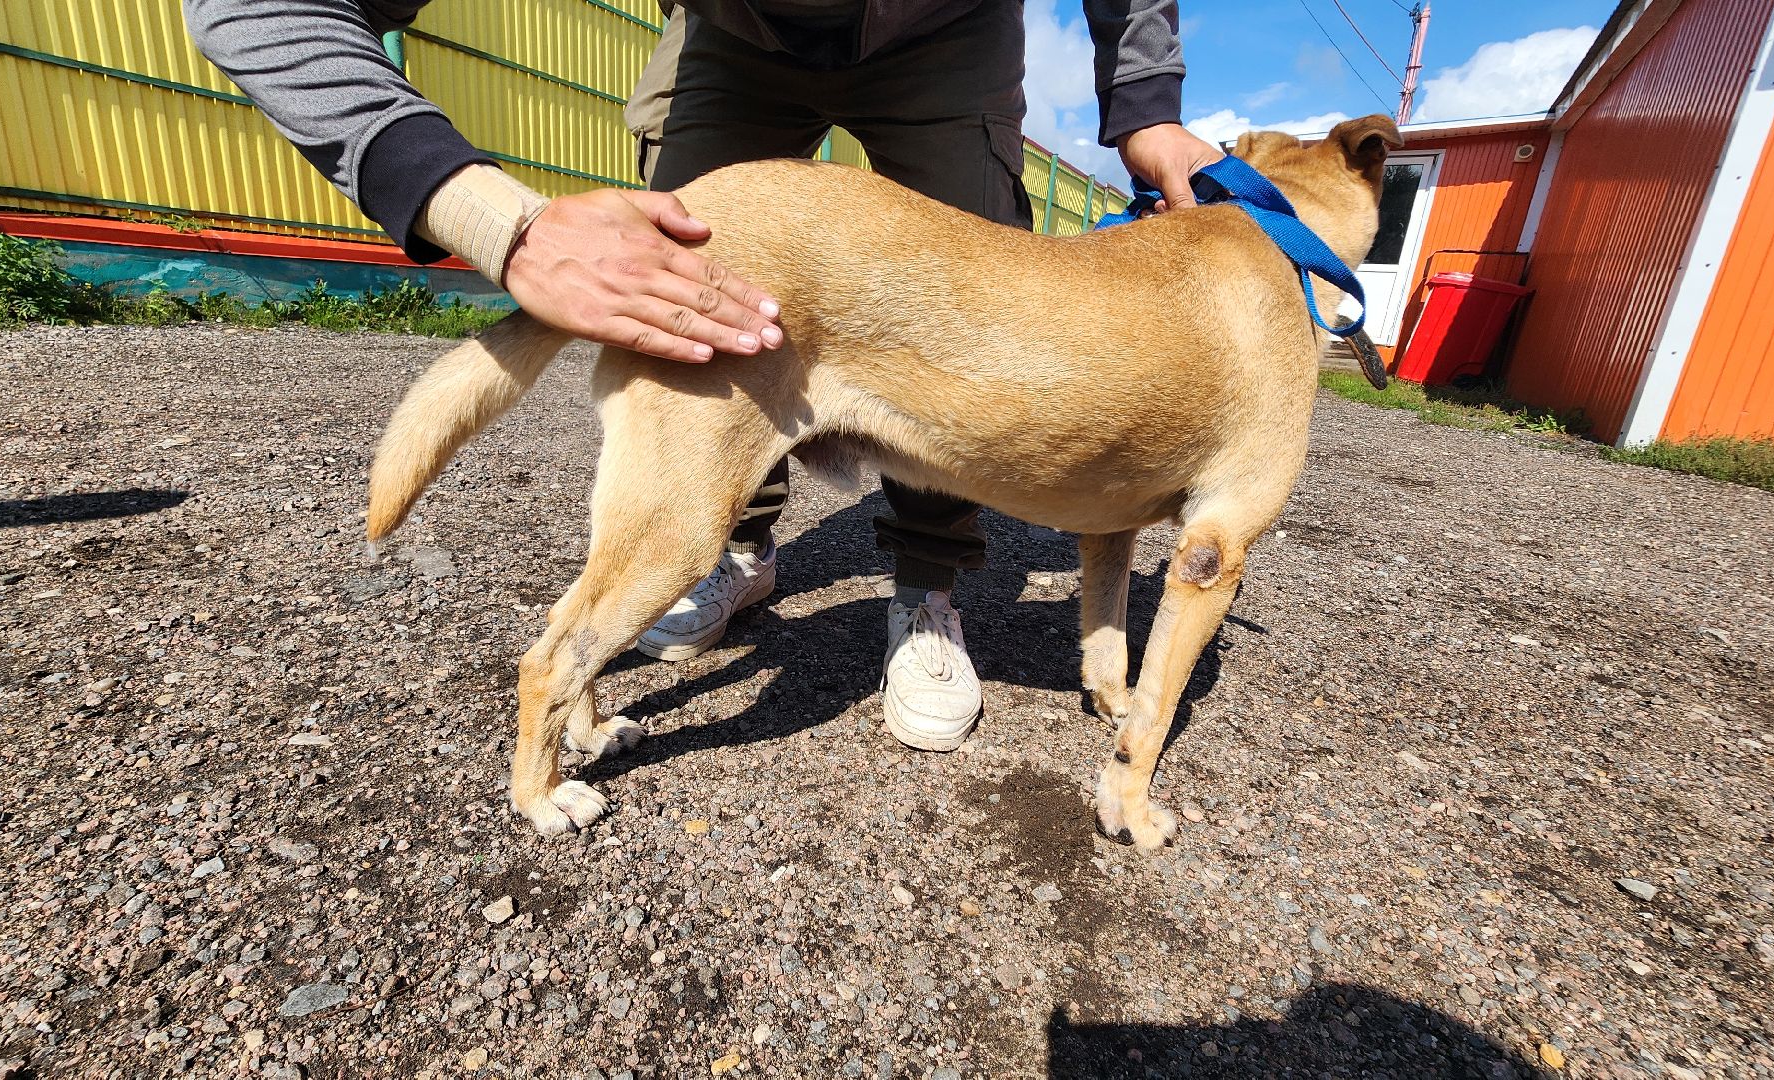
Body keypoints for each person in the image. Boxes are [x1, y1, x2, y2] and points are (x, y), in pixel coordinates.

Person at [185, 0, 1221, 753]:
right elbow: (254, 8)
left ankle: (927, 584)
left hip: (950, 33)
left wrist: (1144, 103)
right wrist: (505, 226)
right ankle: (728, 547)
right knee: (693, 291)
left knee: (976, 313)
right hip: (735, 33)